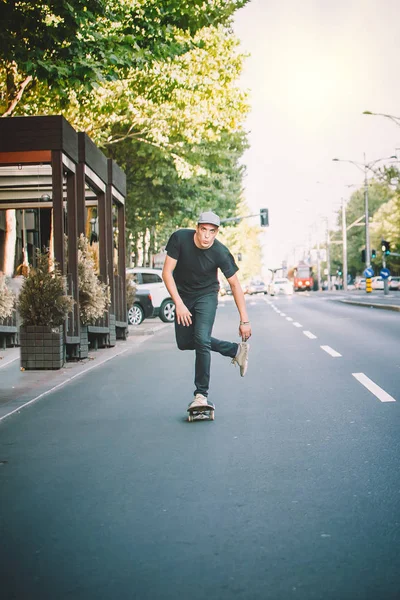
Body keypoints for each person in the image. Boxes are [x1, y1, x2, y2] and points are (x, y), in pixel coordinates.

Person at [162, 210, 252, 410]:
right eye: (203, 230)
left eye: (212, 232)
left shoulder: (220, 252)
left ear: (216, 233)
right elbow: (166, 272)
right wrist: (178, 303)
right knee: (185, 342)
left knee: (202, 339)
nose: (206, 236)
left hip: (206, 296)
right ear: (197, 228)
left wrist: (244, 320)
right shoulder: (179, 239)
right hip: (183, 296)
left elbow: (235, 285)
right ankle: (235, 350)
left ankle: (201, 395)